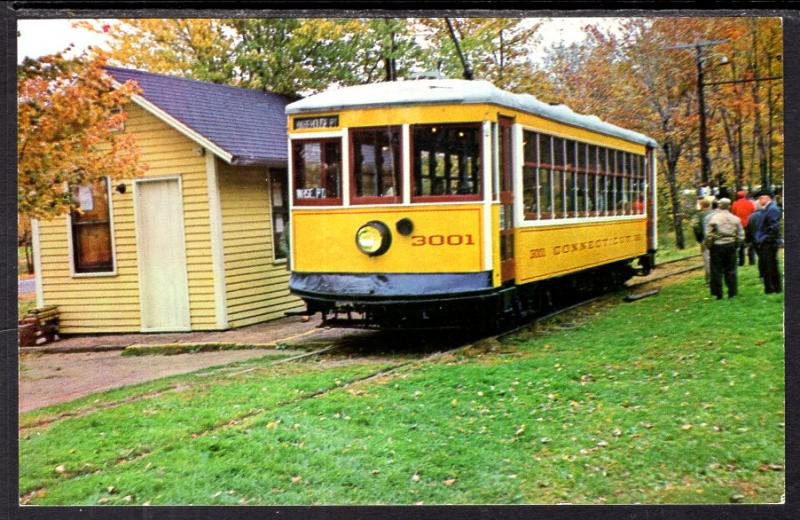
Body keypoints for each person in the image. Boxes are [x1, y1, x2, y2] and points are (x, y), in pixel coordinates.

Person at [704, 198, 744, 300]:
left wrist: (709, 246)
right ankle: (732, 292)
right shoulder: (735, 219)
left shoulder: (714, 219)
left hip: (717, 246)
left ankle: (718, 294)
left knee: (716, 270)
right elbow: (741, 235)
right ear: (729, 206)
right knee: (731, 269)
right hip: (730, 245)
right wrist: (737, 245)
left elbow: (709, 235)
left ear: (719, 206)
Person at [754, 189, 782, 294]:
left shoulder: (772, 209)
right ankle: (774, 288)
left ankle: (771, 289)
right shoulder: (767, 209)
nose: (759, 200)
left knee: (769, 266)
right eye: (759, 198)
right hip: (767, 241)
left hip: (769, 243)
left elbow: (774, 227)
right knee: (770, 266)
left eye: (761, 197)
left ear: (768, 198)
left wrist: (766, 239)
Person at [730, 190, 756, 266]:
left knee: (741, 245)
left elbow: (733, 214)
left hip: (739, 226)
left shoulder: (735, 204)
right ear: (745, 196)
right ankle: (752, 261)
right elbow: (753, 213)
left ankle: (741, 262)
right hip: (749, 225)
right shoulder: (750, 203)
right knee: (751, 243)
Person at [692, 197, 714, 283]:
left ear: (701, 205)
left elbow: (696, 228)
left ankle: (709, 279)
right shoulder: (715, 213)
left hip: (704, 240)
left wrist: (699, 240)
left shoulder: (698, 216)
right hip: (716, 239)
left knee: (707, 260)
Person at [746, 201, 765, 280]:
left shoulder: (751, 217)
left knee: (761, 257)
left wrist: (748, 241)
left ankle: (762, 275)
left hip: (755, 240)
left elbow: (748, 230)